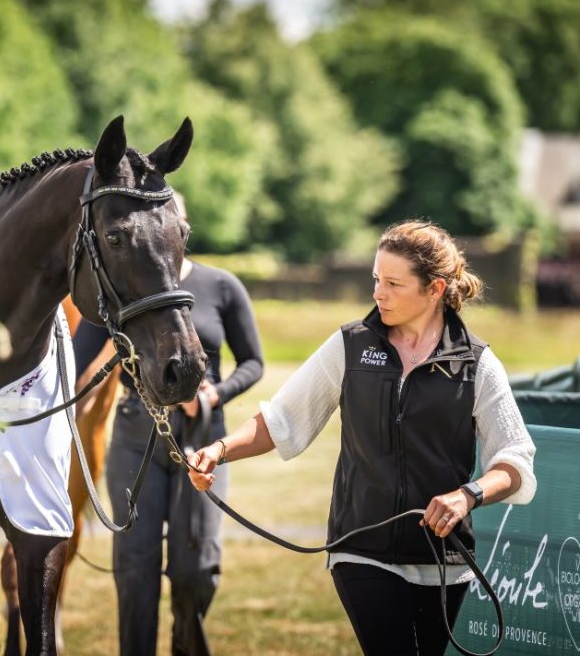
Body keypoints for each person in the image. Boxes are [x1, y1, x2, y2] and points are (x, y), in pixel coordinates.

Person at [186, 220, 538, 656]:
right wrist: (219, 450)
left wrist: (468, 495)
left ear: (434, 289)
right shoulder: (350, 346)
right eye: (376, 279)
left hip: (444, 560)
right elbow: (281, 419)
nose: (378, 293)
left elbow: (515, 460)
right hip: (360, 549)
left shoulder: (476, 363)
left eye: (393, 283)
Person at [72, 194, 264, 656]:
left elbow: (253, 362)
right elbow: (77, 364)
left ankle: (185, 645)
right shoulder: (119, 287)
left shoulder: (222, 285)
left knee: (196, 567)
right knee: (134, 566)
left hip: (203, 437)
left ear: (181, 231)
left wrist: (215, 393)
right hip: (135, 434)